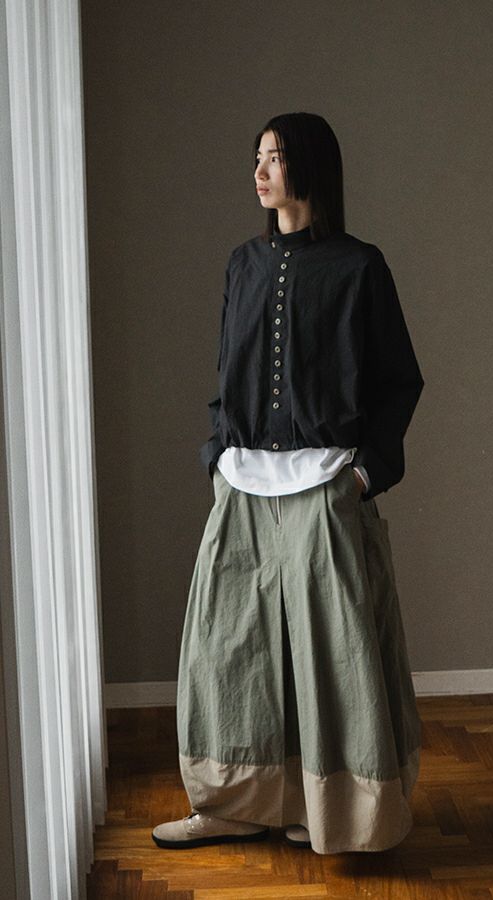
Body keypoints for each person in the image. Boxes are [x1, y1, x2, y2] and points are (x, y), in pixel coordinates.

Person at [152, 112, 425, 855]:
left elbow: (400, 380)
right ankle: (231, 804)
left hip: (323, 485)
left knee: (331, 658)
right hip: (242, 484)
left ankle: (331, 810)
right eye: (257, 158)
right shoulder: (242, 264)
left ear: (309, 165)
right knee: (229, 652)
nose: (259, 172)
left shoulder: (359, 267)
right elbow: (226, 371)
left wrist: (364, 474)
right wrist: (218, 454)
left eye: (274, 158)